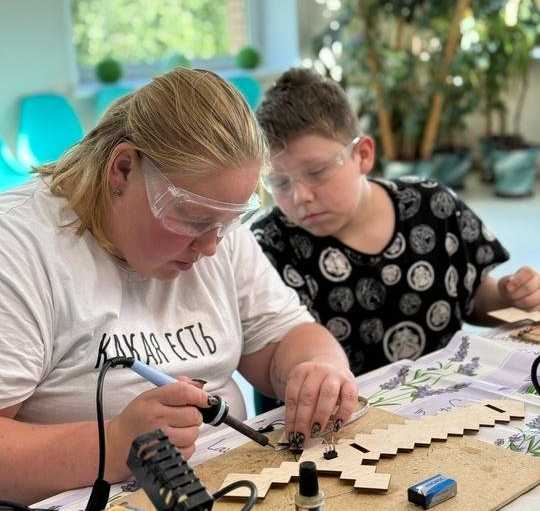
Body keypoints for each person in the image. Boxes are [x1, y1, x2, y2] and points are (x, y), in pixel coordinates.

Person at [0, 68, 357, 504]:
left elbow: (285, 338)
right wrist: (116, 445)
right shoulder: (19, 248)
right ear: (122, 170)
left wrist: (318, 369)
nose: (211, 246)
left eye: (230, 222)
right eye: (192, 220)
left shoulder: (215, 223)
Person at [251, 67, 540, 379]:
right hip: (335, 409)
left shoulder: (432, 206)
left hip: (445, 395)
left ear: (363, 155)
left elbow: (474, 298)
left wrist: (510, 298)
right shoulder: (266, 245)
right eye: (279, 182)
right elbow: (262, 355)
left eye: (317, 172)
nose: (300, 196)